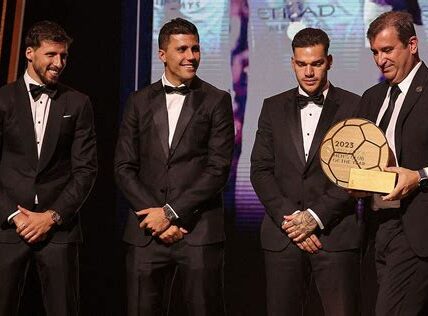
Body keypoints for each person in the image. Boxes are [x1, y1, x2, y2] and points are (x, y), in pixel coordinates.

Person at [114, 18, 234, 316]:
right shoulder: (138, 101)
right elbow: (124, 167)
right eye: (182, 49)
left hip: (198, 230)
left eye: (195, 48)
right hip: (145, 233)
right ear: (162, 54)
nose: (191, 56)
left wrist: (170, 213)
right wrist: (153, 216)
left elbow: (217, 169)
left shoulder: (217, 100)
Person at [250, 28, 361, 316]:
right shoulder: (272, 106)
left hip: (335, 235)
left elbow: (356, 173)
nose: (309, 72)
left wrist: (314, 217)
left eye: (317, 63)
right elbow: (260, 170)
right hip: (282, 236)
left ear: (330, 61)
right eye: (301, 64)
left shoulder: (355, 105)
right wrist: (293, 222)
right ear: (292, 63)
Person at [0, 20, 97, 315]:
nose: (59, 63)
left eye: (63, 56)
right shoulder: (2, 99)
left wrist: (51, 217)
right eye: (51, 55)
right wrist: (15, 215)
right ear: (30, 53)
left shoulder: (78, 103)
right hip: (7, 227)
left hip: (59, 231)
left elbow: (86, 170)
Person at [358, 11, 428, 315]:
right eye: (375, 52)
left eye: (387, 50)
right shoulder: (373, 97)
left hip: (415, 228)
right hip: (377, 228)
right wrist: (355, 184)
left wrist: (420, 176)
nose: (380, 59)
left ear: (412, 45)